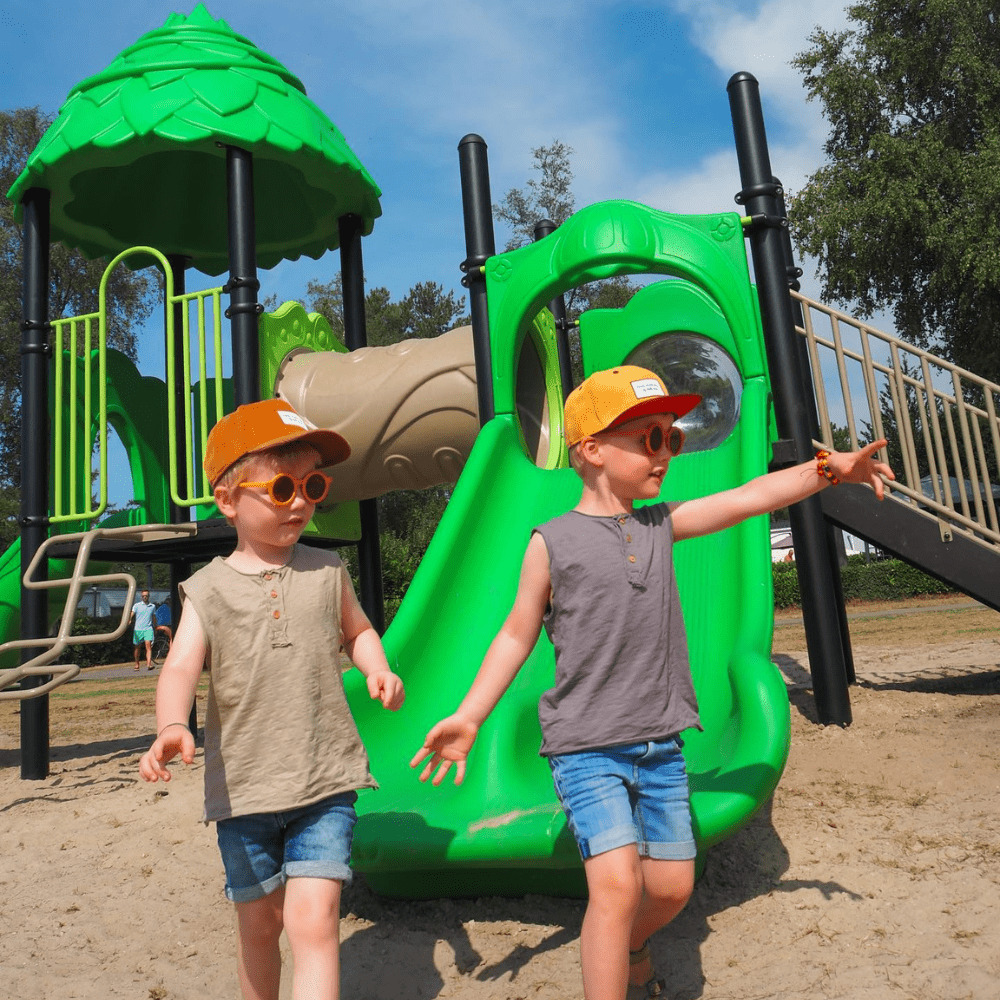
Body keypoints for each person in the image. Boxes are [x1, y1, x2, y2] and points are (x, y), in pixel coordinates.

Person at [411, 365, 894, 1000]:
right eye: (650, 438)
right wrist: (470, 715)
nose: (667, 452)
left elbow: (749, 497)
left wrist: (830, 470)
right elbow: (514, 635)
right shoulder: (550, 543)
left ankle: (634, 941)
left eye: (673, 437)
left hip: (661, 746)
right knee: (614, 884)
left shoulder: (660, 525)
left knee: (670, 888)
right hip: (587, 748)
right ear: (590, 449)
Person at [139, 398, 405, 1000]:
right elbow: (180, 665)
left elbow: (357, 630)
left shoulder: (327, 569)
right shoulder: (206, 589)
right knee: (260, 927)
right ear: (229, 500)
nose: (302, 502)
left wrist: (377, 668)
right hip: (246, 792)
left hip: (323, 781)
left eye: (313, 485)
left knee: (314, 921)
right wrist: (171, 725)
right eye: (282, 487)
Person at [128, 589, 156, 670]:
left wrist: (155, 626)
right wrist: (129, 619)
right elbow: (132, 613)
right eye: (143, 596)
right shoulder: (136, 605)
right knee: (137, 647)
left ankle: (149, 664)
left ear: (148, 596)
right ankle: (137, 664)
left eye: (146, 596)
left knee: (148, 646)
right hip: (138, 629)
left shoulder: (152, 606)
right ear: (141, 597)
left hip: (148, 628)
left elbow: (153, 617)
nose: (145, 597)